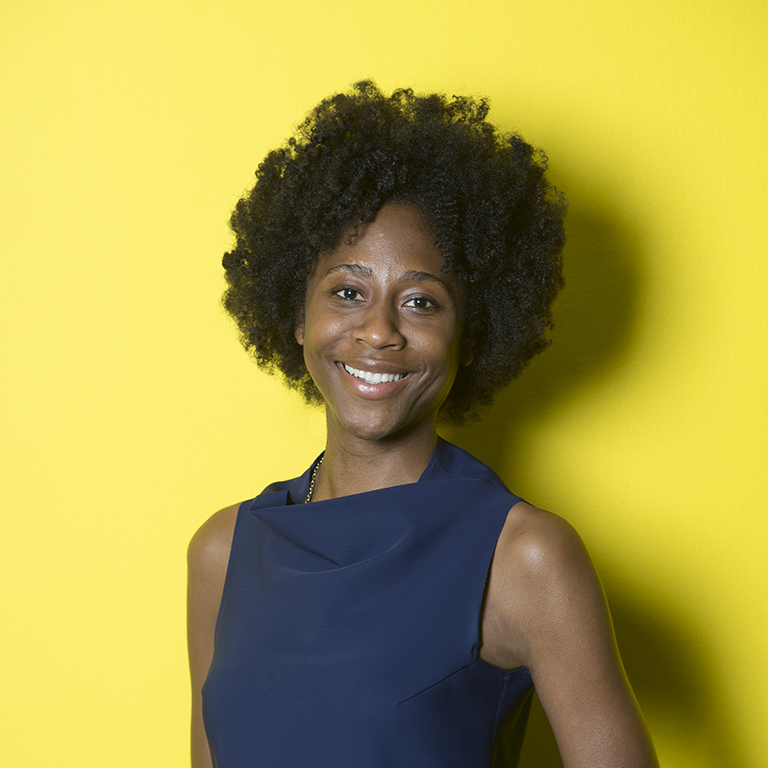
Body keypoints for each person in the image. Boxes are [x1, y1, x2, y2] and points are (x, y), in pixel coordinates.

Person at [187, 81, 658, 768]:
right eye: (348, 292)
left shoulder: (522, 557)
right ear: (295, 314)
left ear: (472, 333)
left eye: (422, 302)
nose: (378, 331)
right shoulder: (223, 553)